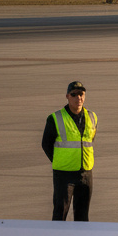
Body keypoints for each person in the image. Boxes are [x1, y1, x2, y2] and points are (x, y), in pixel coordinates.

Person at [42, 81, 98, 222]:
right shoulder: (55, 118)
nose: (78, 98)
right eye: (74, 94)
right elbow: (46, 144)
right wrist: (60, 160)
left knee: (83, 215)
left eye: (81, 94)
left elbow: (90, 140)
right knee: (60, 213)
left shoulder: (92, 117)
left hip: (85, 173)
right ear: (67, 96)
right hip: (64, 174)